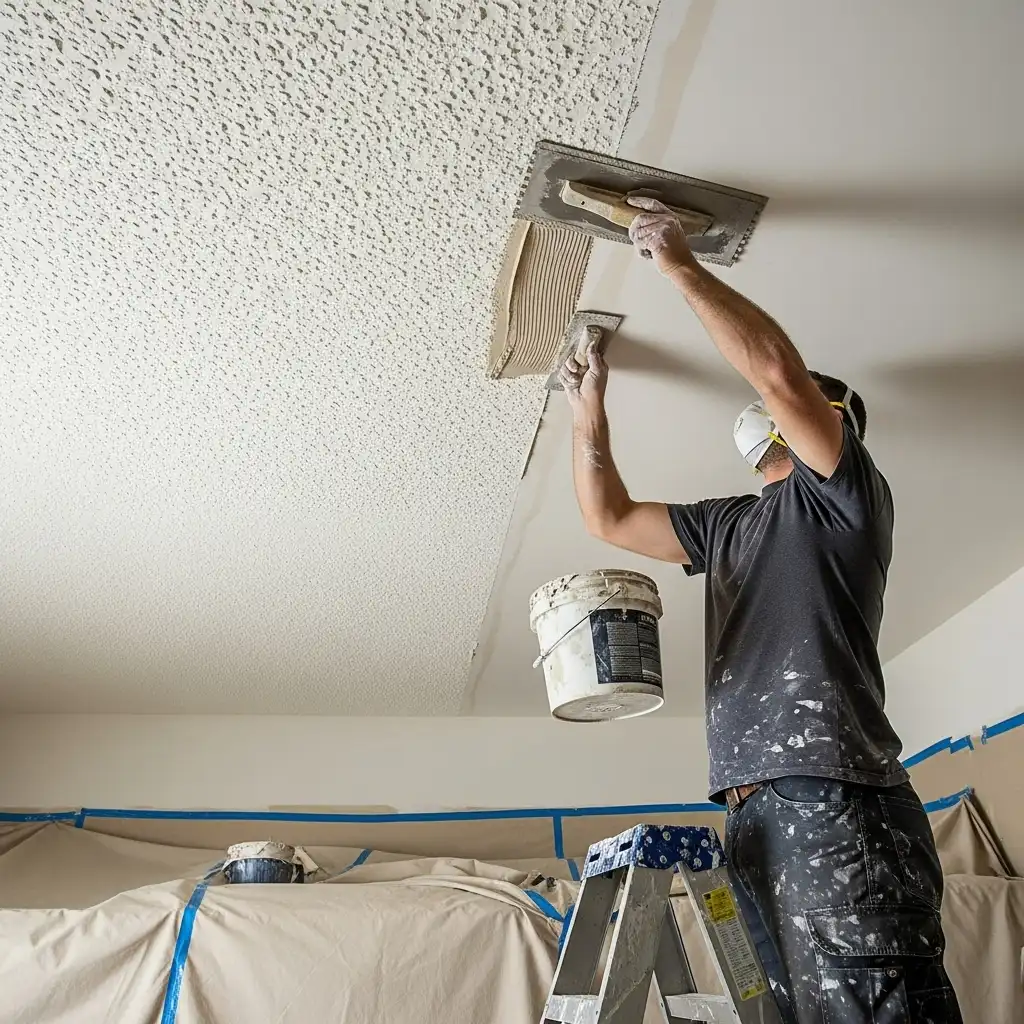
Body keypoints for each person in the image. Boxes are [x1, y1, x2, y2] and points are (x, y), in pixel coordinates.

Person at [558, 196, 963, 1023]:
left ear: (831, 422)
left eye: (805, 408)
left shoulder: (844, 497)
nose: (779, 411)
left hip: (835, 799)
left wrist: (676, 263)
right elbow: (609, 517)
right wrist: (587, 404)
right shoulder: (730, 525)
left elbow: (778, 375)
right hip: (751, 814)